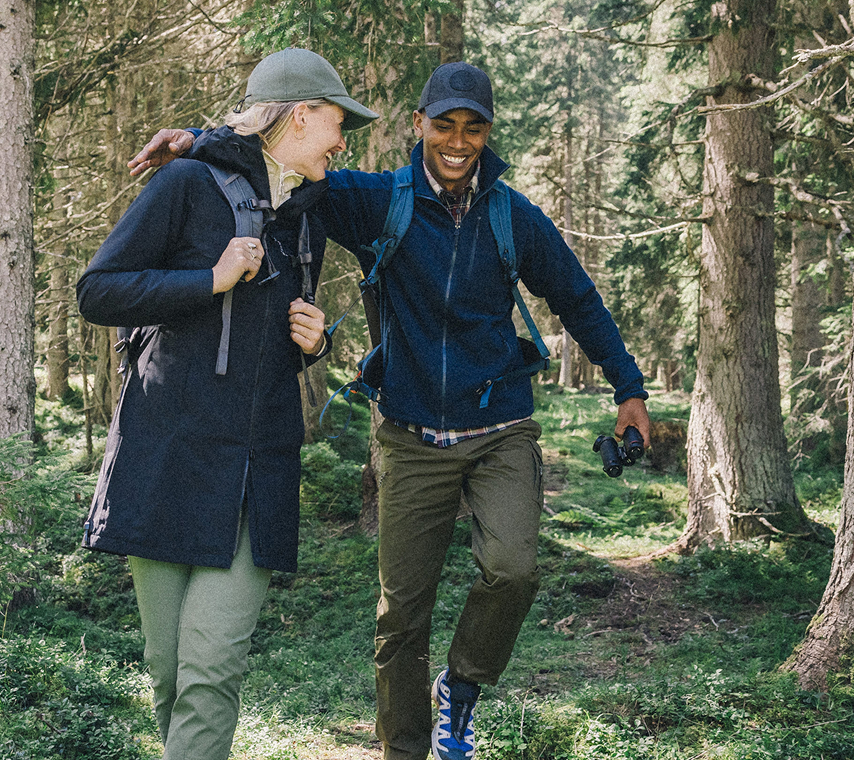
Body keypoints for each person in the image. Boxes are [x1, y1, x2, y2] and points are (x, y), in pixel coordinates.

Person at [129, 62, 651, 760]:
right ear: (420, 125)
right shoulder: (378, 201)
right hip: (408, 433)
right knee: (401, 613)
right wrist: (198, 140)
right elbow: (276, 155)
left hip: (500, 426)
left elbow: (577, 299)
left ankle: (460, 687)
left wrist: (629, 389)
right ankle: (403, 750)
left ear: (488, 133)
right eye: (445, 125)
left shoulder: (513, 217)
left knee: (513, 569)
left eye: (473, 128)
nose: (458, 142)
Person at [77, 47, 377, 760]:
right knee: (169, 672)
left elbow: (271, 333)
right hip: (163, 458)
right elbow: (98, 292)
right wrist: (208, 281)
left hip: (254, 469)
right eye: (338, 123)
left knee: (210, 671)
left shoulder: (308, 213)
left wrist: (314, 343)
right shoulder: (185, 184)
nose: (342, 143)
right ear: (300, 116)